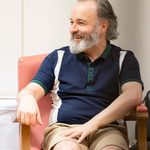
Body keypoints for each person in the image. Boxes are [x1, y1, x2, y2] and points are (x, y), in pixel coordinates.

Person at [16, 0, 143, 150]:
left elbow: (133, 95)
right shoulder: (58, 58)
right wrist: (27, 99)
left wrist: (91, 125)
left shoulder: (124, 59)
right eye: (71, 22)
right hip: (64, 129)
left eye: (80, 23)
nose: (72, 29)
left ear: (102, 26)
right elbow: (29, 91)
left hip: (108, 129)